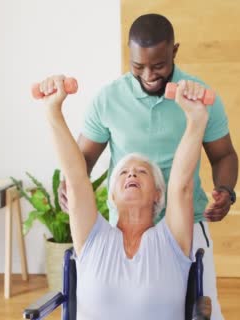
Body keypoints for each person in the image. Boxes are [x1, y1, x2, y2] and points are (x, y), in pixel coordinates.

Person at [59, 13, 238, 320]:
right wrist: (70, 188)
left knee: (204, 312)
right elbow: (82, 159)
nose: (149, 75)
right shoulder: (108, 99)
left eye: (159, 66)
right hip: (126, 228)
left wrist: (225, 190)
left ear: (175, 51)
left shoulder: (200, 98)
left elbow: (224, 156)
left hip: (186, 225)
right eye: (138, 66)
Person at [37, 74, 211, 319]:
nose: (131, 174)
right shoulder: (93, 236)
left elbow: (182, 186)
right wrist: (52, 109)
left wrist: (196, 119)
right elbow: (76, 178)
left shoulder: (171, 239)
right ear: (112, 195)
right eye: (123, 173)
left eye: (141, 172)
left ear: (158, 195)